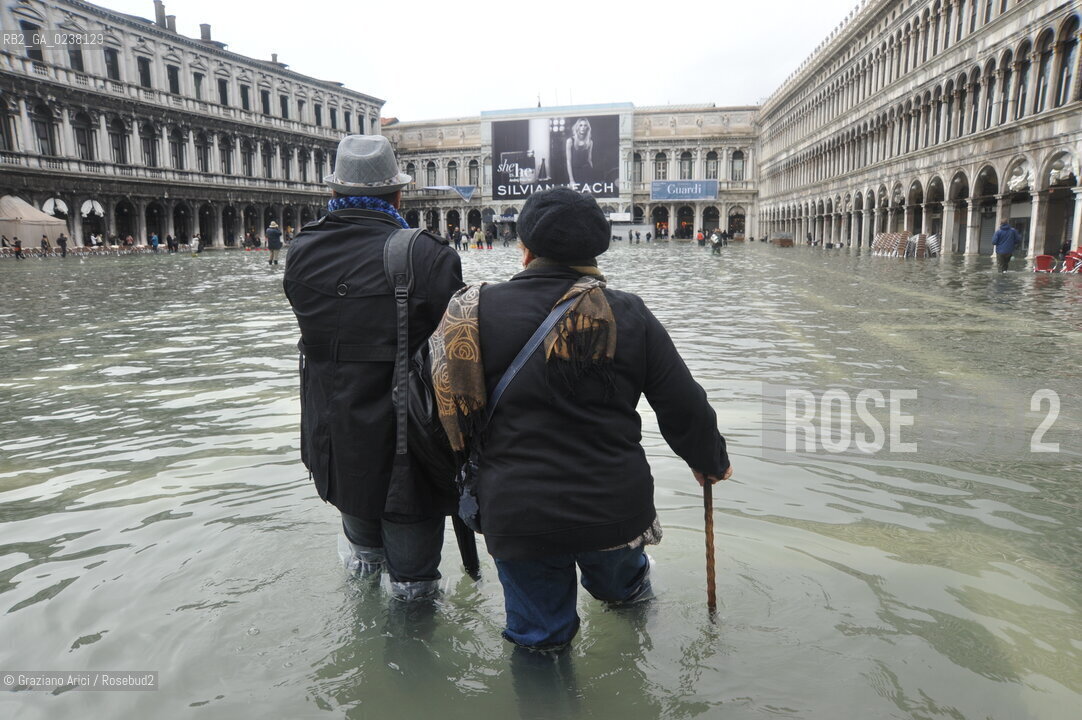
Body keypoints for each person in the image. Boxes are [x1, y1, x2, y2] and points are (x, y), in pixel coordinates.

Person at [429, 188, 732, 652]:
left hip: (516, 509)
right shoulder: (628, 312)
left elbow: (443, 405)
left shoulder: (469, 311)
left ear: (524, 247)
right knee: (627, 599)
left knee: (538, 641)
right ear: (598, 248)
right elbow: (682, 405)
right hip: (612, 506)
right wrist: (709, 459)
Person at [283, 134, 464, 601]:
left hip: (336, 442)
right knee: (414, 590)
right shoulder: (430, 256)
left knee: (363, 567)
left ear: (334, 194)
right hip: (411, 448)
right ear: (398, 194)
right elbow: (458, 356)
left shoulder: (301, 251)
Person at [565, 117, 594, 187]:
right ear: (577, 127)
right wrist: (571, 180)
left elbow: (589, 160)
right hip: (574, 174)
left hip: (587, 173)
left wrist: (592, 176)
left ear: (587, 128)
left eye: (585, 125)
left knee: (588, 196)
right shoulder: (570, 141)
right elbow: (568, 161)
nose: (583, 127)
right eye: (581, 125)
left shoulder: (590, 142)